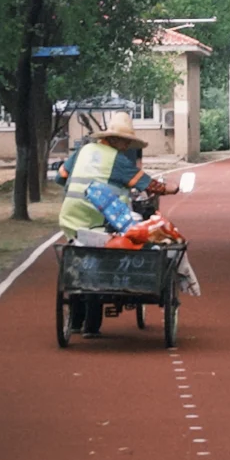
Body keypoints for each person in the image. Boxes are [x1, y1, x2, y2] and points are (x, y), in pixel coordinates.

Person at [57, 111, 159, 336]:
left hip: (71, 218)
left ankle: (74, 322)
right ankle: (91, 326)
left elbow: (60, 176)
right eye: (125, 141)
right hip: (101, 221)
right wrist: (171, 188)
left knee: (78, 262)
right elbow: (147, 184)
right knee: (98, 265)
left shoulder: (83, 151)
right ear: (113, 140)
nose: (126, 146)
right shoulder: (116, 160)